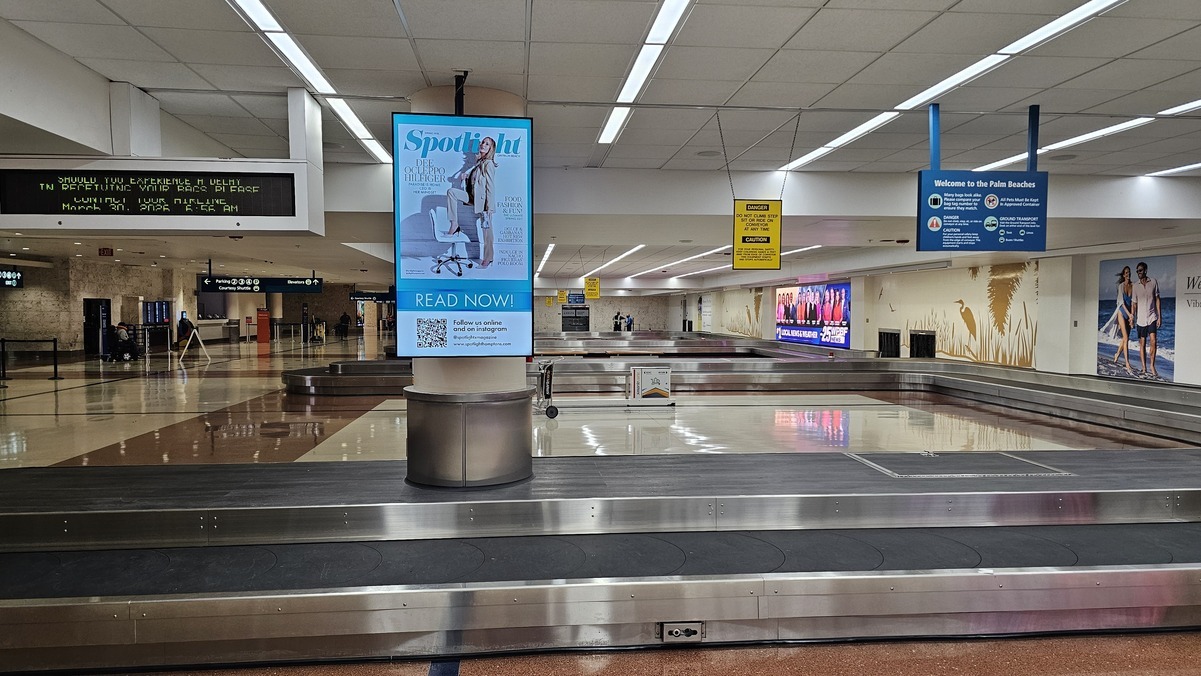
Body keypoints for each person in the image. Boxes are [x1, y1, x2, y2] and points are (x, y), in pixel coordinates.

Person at [446, 136, 498, 268]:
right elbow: (476, 181)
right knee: (452, 192)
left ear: (490, 149)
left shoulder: (489, 164)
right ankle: (454, 223)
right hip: (472, 197)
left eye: (487, 144)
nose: (483, 145)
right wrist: (466, 175)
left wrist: (489, 207)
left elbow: (490, 186)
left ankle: (488, 258)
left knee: (487, 231)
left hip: (483, 202)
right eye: (482, 142)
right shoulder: (478, 162)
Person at [1130, 261, 1162, 378]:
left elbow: (1157, 299)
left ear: (1145, 270)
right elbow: (1134, 303)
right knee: (1142, 343)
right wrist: (1132, 317)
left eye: (1140, 270)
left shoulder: (1153, 282)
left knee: (1153, 341)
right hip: (1141, 319)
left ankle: (1152, 366)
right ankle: (1144, 368)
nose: (1138, 273)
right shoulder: (1135, 286)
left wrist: (1159, 316)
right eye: (1137, 271)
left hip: (1152, 317)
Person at [1113, 266, 1134, 374]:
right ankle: (1127, 363)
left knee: (1125, 338)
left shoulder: (1133, 285)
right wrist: (1129, 314)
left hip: (1130, 315)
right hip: (1122, 312)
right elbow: (1121, 302)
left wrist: (1132, 316)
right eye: (1126, 272)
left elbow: (1134, 302)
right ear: (1123, 274)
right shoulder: (1121, 286)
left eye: (1129, 272)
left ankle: (1117, 354)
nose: (1128, 274)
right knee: (1125, 338)